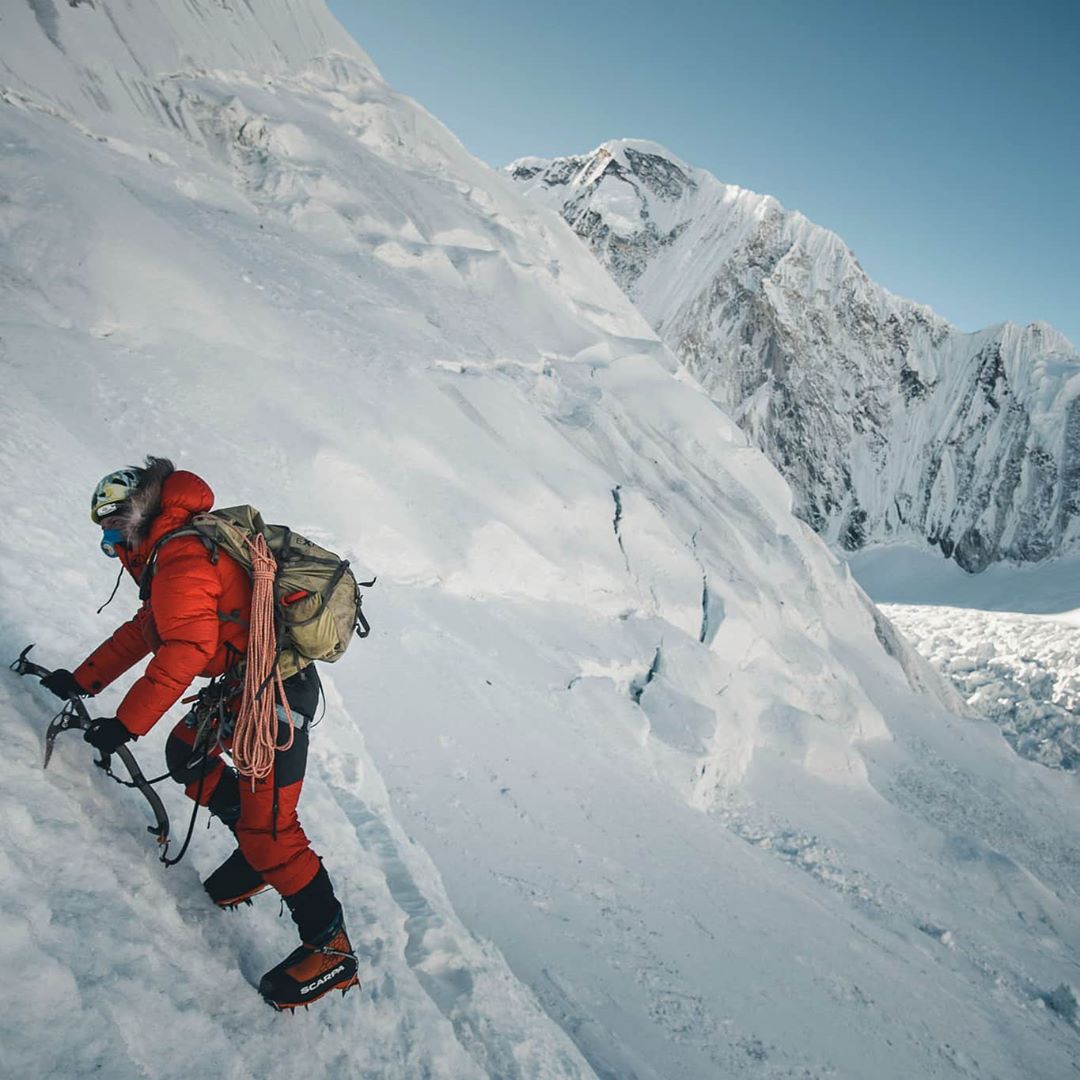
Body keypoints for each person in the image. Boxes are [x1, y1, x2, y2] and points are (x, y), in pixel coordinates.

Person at [40, 456, 359, 1010]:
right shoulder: (178, 549)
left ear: (134, 519)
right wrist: (84, 679)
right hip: (248, 687)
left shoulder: (182, 555)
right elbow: (150, 628)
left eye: (111, 531)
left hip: (273, 697)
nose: (111, 545)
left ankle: (332, 949)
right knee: (187, 753)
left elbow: (184, 649)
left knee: (273, 832)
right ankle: (255, 859)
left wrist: (125, 724)